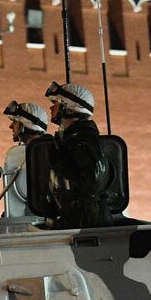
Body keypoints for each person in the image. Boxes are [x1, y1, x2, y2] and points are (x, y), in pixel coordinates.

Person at [45, 81, 112, 229]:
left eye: (56, 103)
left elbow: (94, 180)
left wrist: (61, 163)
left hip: (86, 223)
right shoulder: (70, 138)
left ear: (68, 107)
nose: (51, 107)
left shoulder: (83, 138)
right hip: (73, 218)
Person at [1, 101, 49, 219]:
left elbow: (14, 209)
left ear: (24, 126)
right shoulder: (51, 149)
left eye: (15, 122)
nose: (11, 126)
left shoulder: (16, 155)